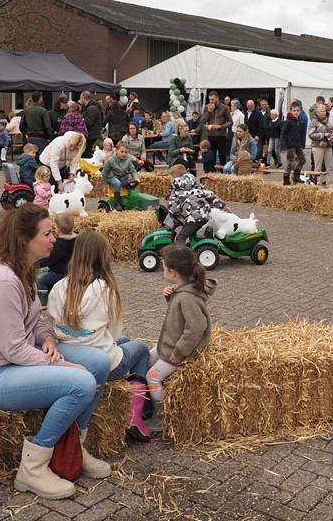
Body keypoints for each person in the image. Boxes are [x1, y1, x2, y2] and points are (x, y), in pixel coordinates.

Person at [0, 204, 112, 499]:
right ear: (24, 240)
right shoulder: (3, 281)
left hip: (15, 360)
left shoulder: (24, 271)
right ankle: (32, 469)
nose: (54, 239)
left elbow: (34, 321)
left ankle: (73, 450)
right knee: (80, 382)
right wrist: (63, 367)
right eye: (47, 233)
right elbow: (13, 349)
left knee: (99, 361)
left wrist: (48, 340)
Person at [46, 230, 153, 441]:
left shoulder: (58, 286)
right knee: (140, 348)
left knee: (125, 342)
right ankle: (135, 417)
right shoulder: (106, 290)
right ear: (102, 257)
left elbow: (52, 320)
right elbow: (114, 333)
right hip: (104, 363)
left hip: (69, 355)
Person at [147, 244, 216, 407]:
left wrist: (179, 352)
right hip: (170, 343)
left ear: (172, 272)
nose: (162, 271)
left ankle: (163, 413)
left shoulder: (187, 297)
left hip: (180, 350)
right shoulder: (184, 290)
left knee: (152, 376)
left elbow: (197, 326)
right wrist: (170, 298)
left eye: (164, 268)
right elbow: (180, 314)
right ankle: (154, 395)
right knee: (148, 357)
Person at [165, 165, 227, 245]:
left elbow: (174, 208)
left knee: (181, 237)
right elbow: (210, 195)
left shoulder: (176, 189)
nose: (170, 180)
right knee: (190, 232)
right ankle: (192, 247)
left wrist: (169, 212)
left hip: (194, 218)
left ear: (174, 176)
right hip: (205, 215)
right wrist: (223, 206)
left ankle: (181, 255)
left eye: (170, 178)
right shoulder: (196, 184)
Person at [38, 212, 77, 292]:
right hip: (73, 271)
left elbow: (50, 259)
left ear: (58, 229)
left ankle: (44, 300)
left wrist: (37, 264)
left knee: (41, 281)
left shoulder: (59, 243)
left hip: (60, 273)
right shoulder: (77, 239)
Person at [102, 141, 139, 210]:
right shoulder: (110, 160)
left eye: (125, 152)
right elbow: (105, 172)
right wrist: (105, 183)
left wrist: (136, 178)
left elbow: (133, 171)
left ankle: (131, 202)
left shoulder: (128, 159)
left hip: (123, 179)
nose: (124, 154)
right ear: (116, 150)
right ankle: (117, 202)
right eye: (122, 152)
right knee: (117, 183)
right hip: (112, 177)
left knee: (132, 185)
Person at [308, 103, 333, 188]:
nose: (324, 112)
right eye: (322, 111)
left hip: (328, 145)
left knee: (330, 166)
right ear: (317, 113)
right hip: (318, 146)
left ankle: (330, 184)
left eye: (325, 111)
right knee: (318, 166)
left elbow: (331, 130)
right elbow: (311, 135)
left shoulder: (327, 121)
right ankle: (317, 184)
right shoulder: (313, 122)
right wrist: (323, 135)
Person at [201, 91, 232, 164]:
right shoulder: (206, 107)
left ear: (217, 98)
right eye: (210, 100)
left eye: (213, 99)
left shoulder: (224, 107)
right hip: (210, 135)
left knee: (222, 157)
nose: (211, 101)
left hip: (221, 135)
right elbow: (202, 121)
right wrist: (209, 112)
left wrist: (221, 126)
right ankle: (212, 172)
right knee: (211, 156)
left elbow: (230, 122)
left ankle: (222, 173)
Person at [280, 100, 306, 185]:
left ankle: (296, 176)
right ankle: (286, 179)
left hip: (298, 144)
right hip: (290, 144)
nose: (296, 112)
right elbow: (283, 134)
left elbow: (302, 133)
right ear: (291, 111)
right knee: (290, 163)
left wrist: (303, 144)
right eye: (294, 111)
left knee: (302, 160)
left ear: (300, 111)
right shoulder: (288, 121)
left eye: (298, 111)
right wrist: (283, 146)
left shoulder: (301, 121)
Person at [79, 92, 103, 157]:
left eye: (81, 98)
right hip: (91, 134)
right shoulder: (90, 107)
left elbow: (88, 122)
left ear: (83, 98)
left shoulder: (92, 108)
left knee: (86, 153)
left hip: (91, 135)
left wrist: (81, 120)